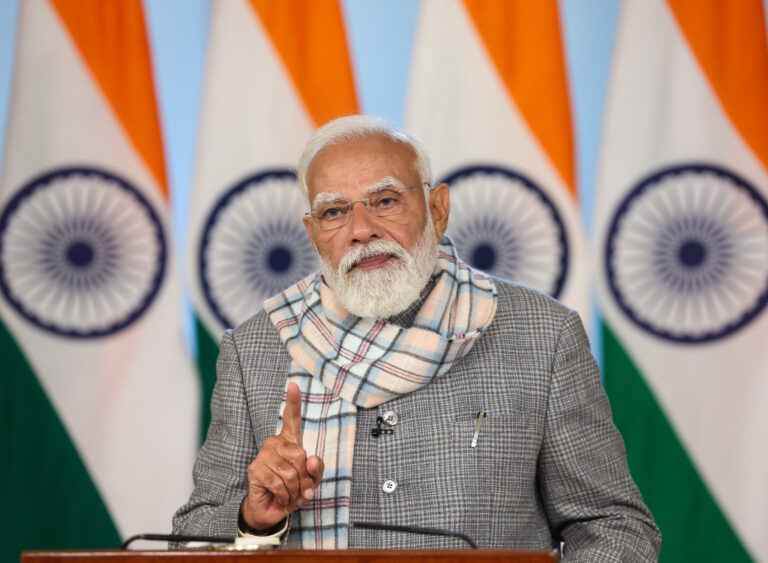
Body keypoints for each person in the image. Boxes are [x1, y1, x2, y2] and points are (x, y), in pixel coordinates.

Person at [173, 115, 661, 559]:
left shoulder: (542, 335)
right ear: (312, 232)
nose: (361, 230)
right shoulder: (254, 349)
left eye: (385, 201)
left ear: (437, 208)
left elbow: (613, 525)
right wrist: (253, 521)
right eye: (334, 212)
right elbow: (194, 536)